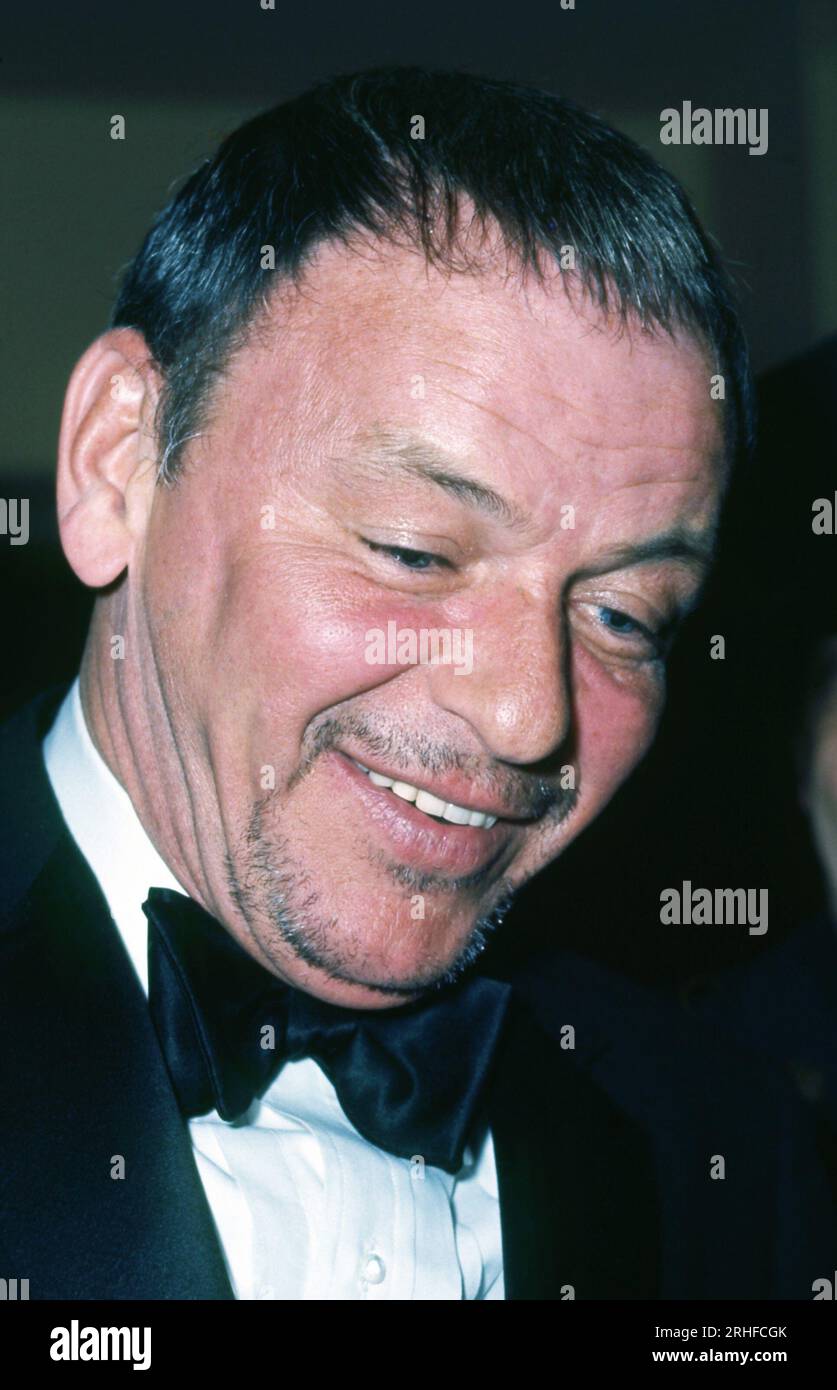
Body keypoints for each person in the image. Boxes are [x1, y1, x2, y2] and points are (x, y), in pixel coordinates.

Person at [0, 66, 830, 1300]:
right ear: (119, 461)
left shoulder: (727, 1148)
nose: (526, 713)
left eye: (621, 614)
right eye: (414, 550)